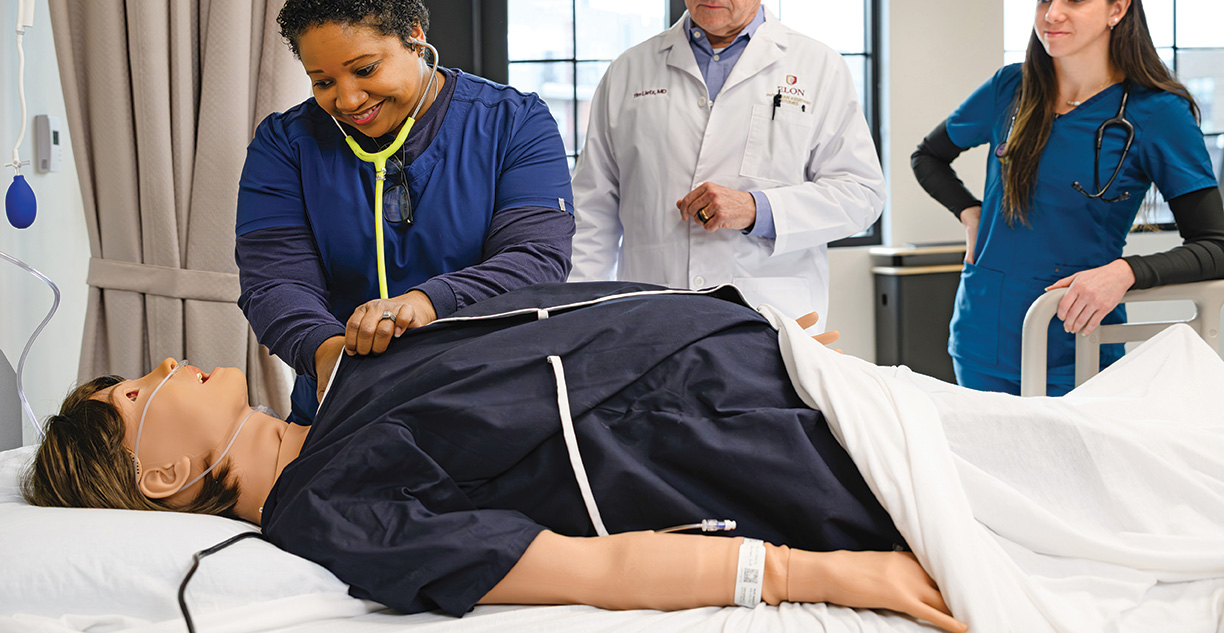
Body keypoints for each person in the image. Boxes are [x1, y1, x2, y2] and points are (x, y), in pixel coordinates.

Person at [22, 281, 965, 633]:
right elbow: (592, 569)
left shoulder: (350, 377)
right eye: (138, 392)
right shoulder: (330, 512)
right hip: (766, 448)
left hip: (779, 369)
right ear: (160, 478)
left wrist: (742, 331)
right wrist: (835, 576)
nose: (165, 363)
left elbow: (553, 323)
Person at [236, 0, 574, 423]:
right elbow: (274, 282)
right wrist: (330, 357)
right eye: (324, 82)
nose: (348, 100)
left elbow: (535, 260)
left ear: (415, 35)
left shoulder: (514, 124)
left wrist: (425, 303)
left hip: (490, 405)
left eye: (365, 69)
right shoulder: (284, 147)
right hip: (343, 409)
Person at [912, 0, 1224, 395]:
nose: (1052, 14)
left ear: (1118, 9)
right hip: (980, 338)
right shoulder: (1009, 89)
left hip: (1077, 348)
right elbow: (928, 157)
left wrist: (1125, 272)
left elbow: (1215, 245)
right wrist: (970, 212)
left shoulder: (1157, 113)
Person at [569, 0, 884, 327]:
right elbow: (592, 216)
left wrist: (758, 210)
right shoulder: (630, 71)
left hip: (770, 322)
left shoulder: (817, 67)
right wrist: (576, 320)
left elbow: (862, 195)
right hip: (650, 314)